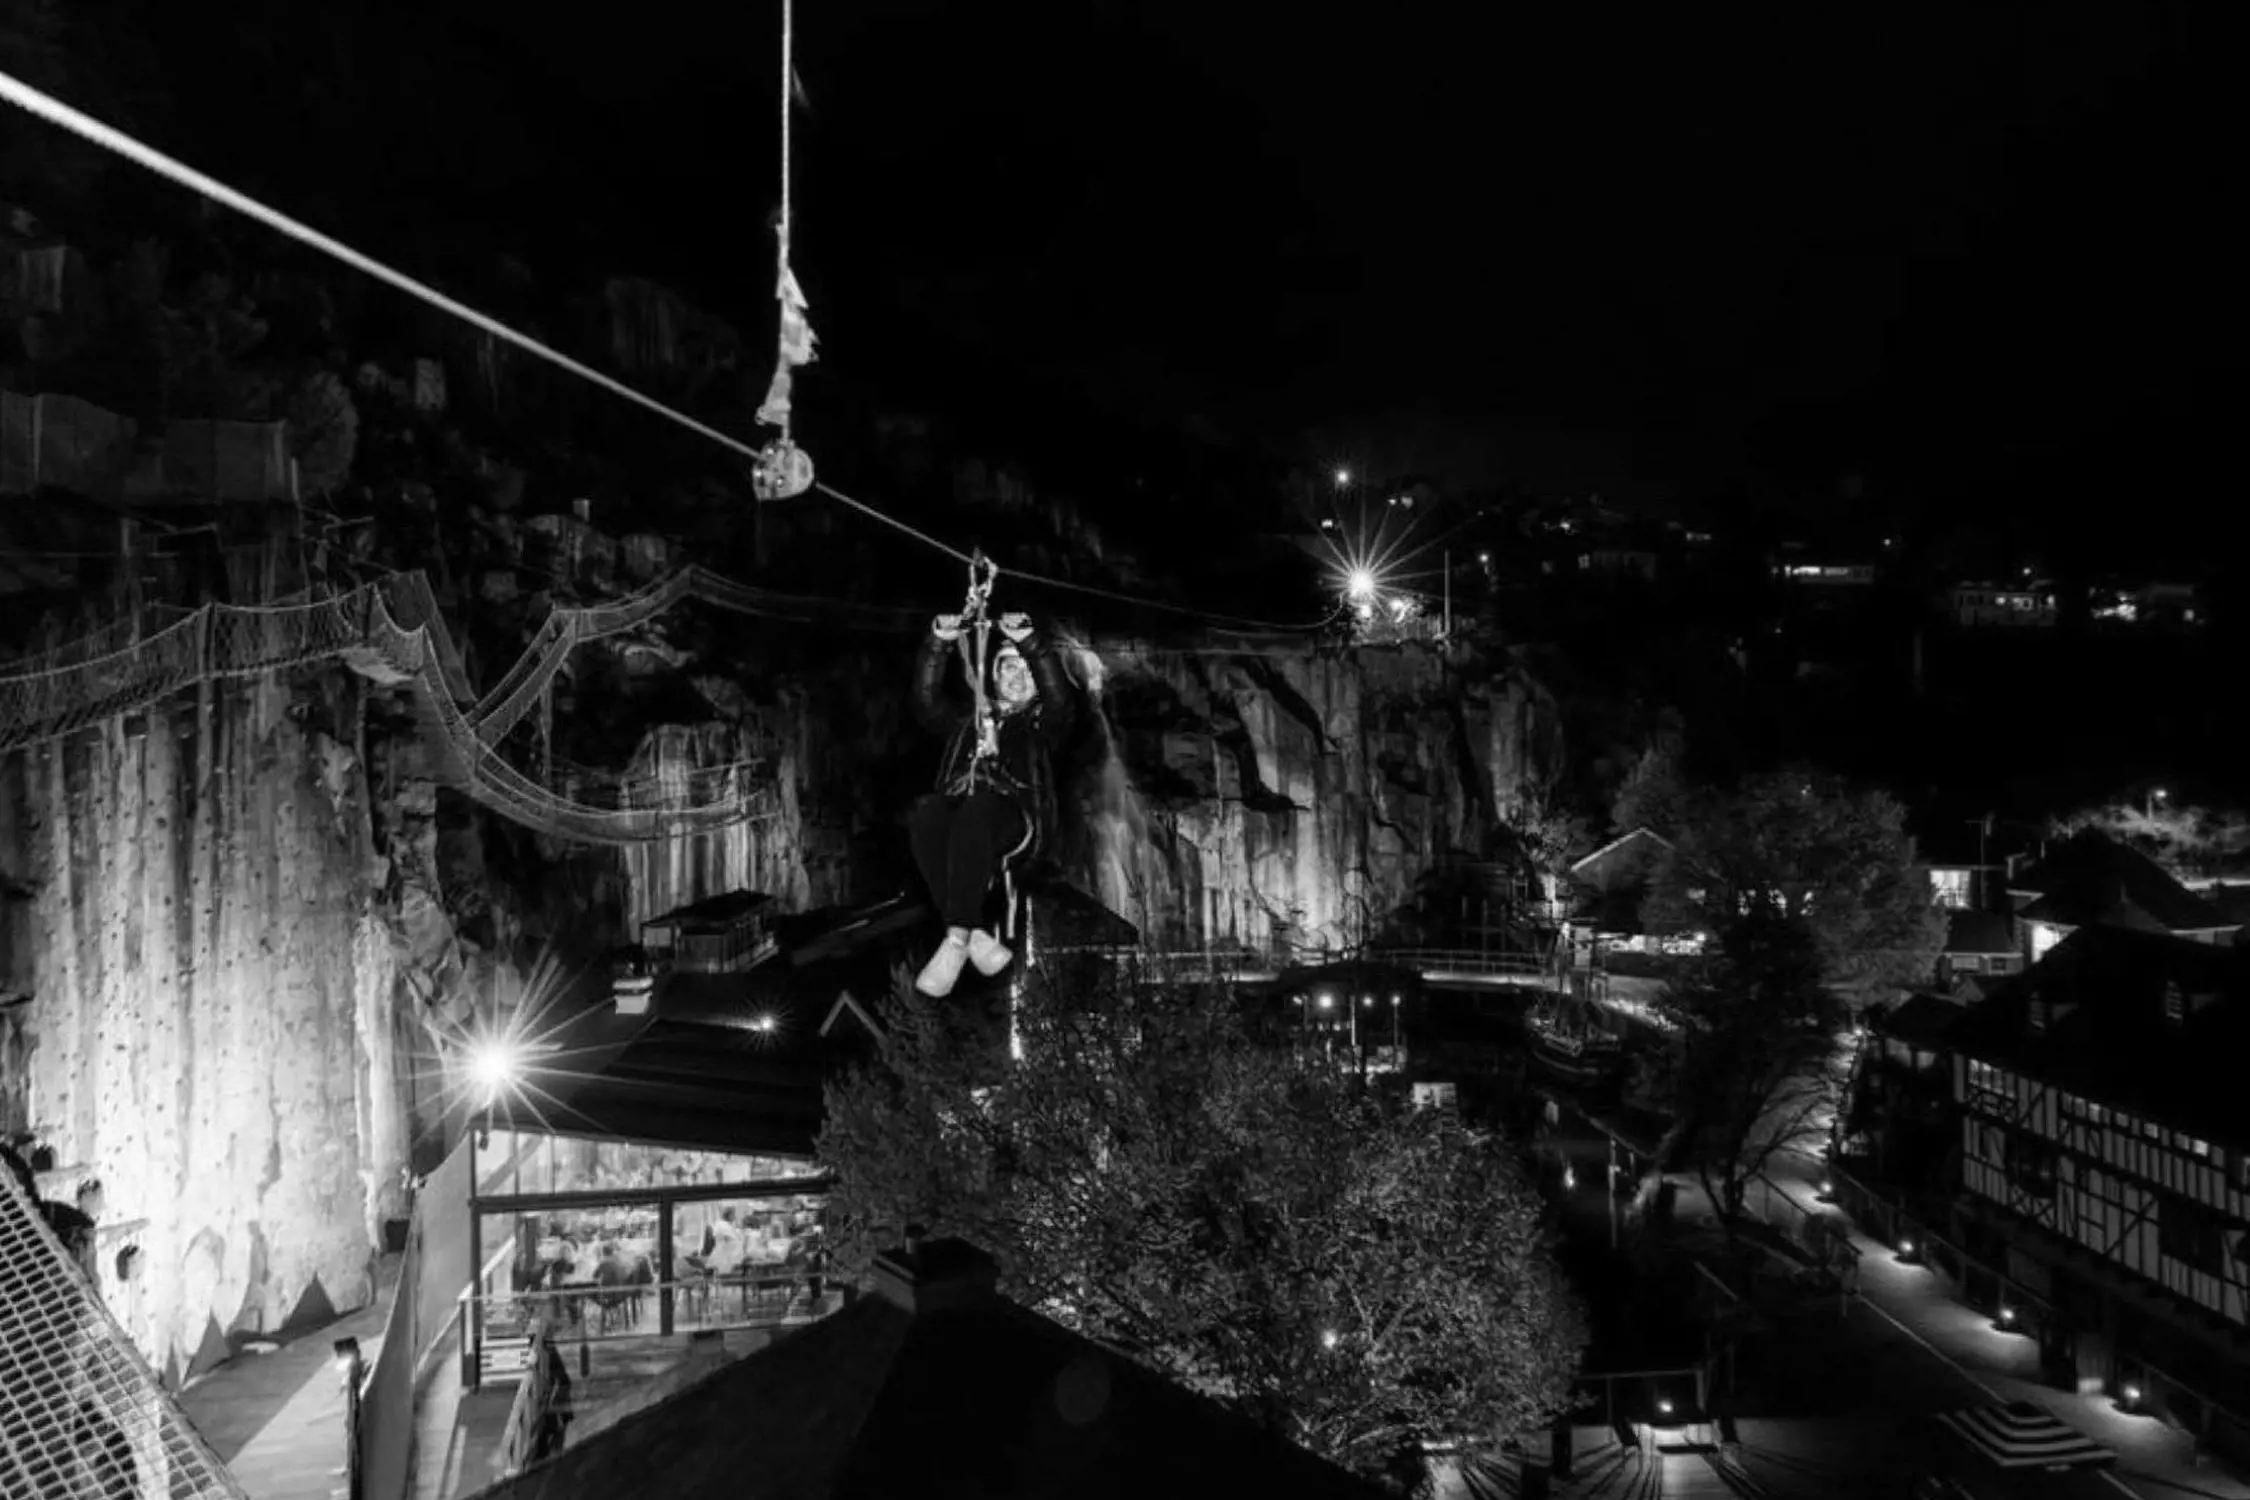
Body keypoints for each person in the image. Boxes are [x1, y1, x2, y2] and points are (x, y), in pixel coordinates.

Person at [908, 608, 1075, 997]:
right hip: (964, 811)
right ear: (995, 676)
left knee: (979, 809)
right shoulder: (966, 721)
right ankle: (973, 933)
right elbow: (926, 700)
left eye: (1026, 673)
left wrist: (1031, 644)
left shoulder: (1040, 724)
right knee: (926, 812)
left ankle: (955, 940)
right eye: (1009, 669)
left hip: (1016, 816)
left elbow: (1060, 699)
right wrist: (938, 642)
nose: (1017, 679)